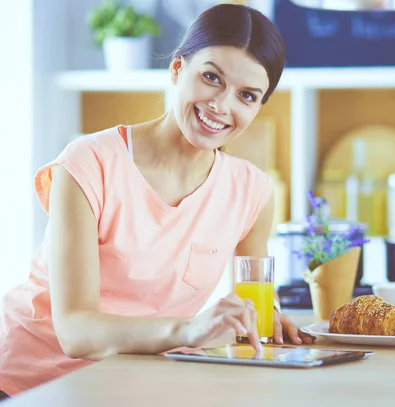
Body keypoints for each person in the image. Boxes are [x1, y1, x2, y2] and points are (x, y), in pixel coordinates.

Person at [0, 3, 315, 399]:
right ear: (177, 69)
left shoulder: (251, 191)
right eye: (211, 77)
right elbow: (75, 332)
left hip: (140, 383)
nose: (222, 106)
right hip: (33, 385)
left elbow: (256, 303)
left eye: (247, 95)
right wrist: (189, 329)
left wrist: (265, 320)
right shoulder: (88, 163)